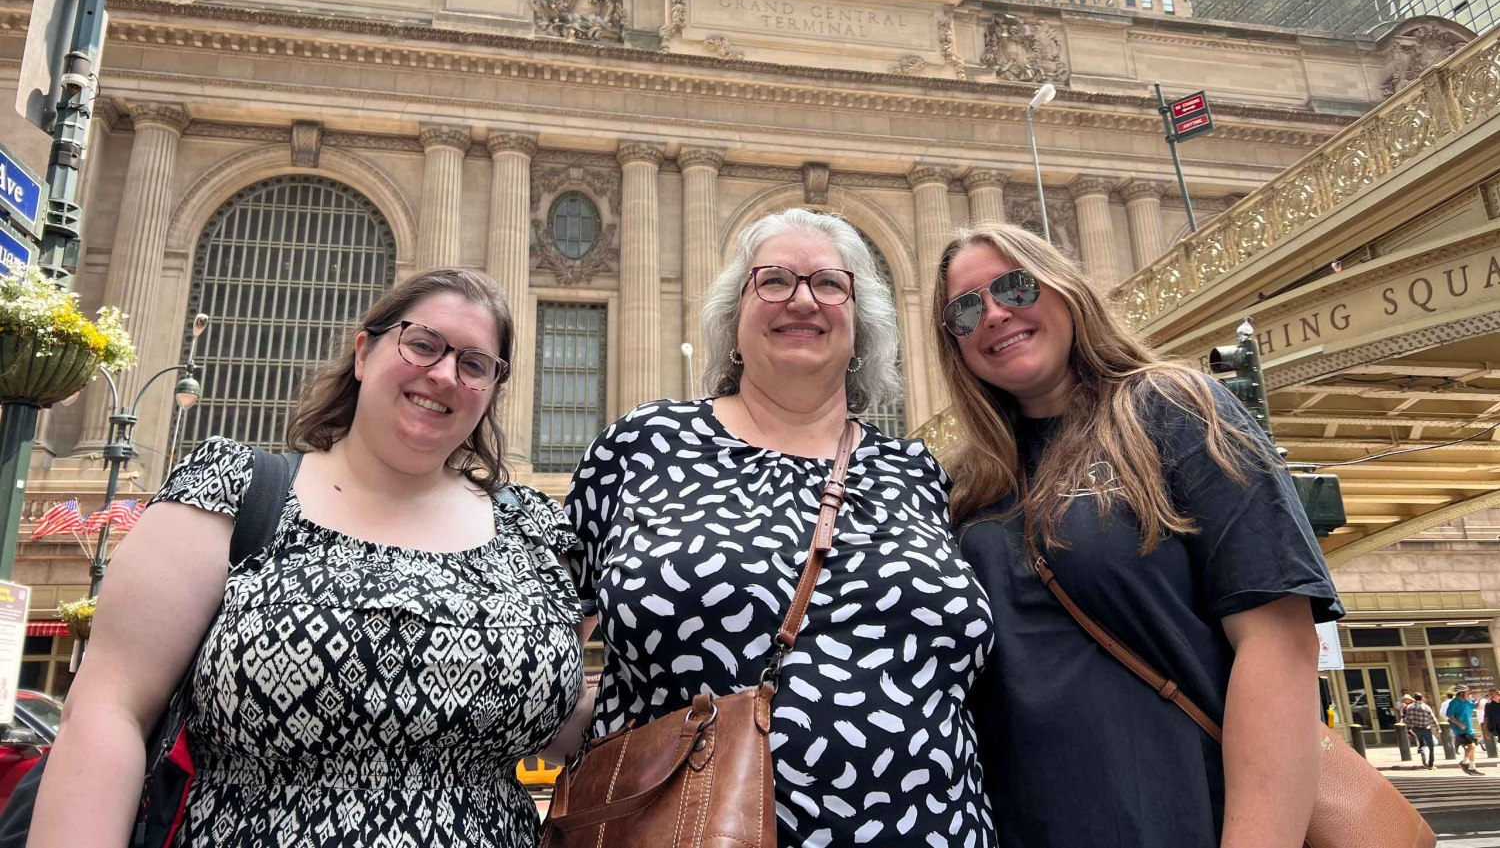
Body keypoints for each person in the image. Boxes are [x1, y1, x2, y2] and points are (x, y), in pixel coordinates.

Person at [28, 268, 592, 848]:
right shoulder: (234, 490)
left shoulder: (534, 531)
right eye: (423, 344)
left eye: (475, 364)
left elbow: (562, 721)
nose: (445, 374)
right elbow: (108, 714)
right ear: (364, 352)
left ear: (493, 389)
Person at [565, 208, 997, 847]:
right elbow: (546, 643)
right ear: (732, 320)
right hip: (695, 827)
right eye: (773, 281)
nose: (802, 300)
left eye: (829, 284)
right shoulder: (644, 445)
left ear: (861, 330)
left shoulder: (918, 471)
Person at [931, 222, 1343, 848]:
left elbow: (1279, 644)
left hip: (1180, 820)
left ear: (1065, 291)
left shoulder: (1175, 410)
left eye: (1014, 287)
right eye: (964, 309)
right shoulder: (966, 486)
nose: (993, 314)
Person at [1448, 684, 1482, 774]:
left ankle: (1472, 767)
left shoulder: (1467, 701)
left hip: (1469, 729)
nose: (1468, 694)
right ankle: (1463, 763)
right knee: (1472, 746)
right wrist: (1459, 723)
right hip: (1460, 730)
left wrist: (1479, 702)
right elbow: (1450, 715)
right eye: (1467, 692)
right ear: (1461, 693)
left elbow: (1476, 707)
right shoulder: (1454, 702)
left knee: (1472, 748)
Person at [1403, 693, 1439, 769]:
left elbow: (1408, 719)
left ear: (1414, 698)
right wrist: (1437, 728)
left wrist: (1408, 728)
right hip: (1426, 728)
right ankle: (1430, 764)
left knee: (1421, 743)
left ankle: (1422, 753)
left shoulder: (1410, 707)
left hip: (1416, 728)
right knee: (1431, 746)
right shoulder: (1426, 707)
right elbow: (1432, 718)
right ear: (1422, 698)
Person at [1486, 688, 1500, 754]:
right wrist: (1485, 731)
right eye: (1489, 695)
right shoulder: (1489, 705)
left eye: (1492, 694)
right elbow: (1486, 718)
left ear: (1498, 694)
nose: (1491, 696)